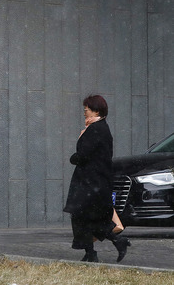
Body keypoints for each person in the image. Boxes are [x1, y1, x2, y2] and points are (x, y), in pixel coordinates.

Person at [63, 94, 131, 263]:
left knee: (86, 217)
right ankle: (92, 252)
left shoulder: (95, 129)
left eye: (86, 109)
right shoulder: (100, 128)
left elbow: (83, 155)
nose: (84, 112)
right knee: (86, 217)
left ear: (96, 110)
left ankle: (104, 247)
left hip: (91, 183)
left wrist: (75, 155)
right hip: (94, 182)